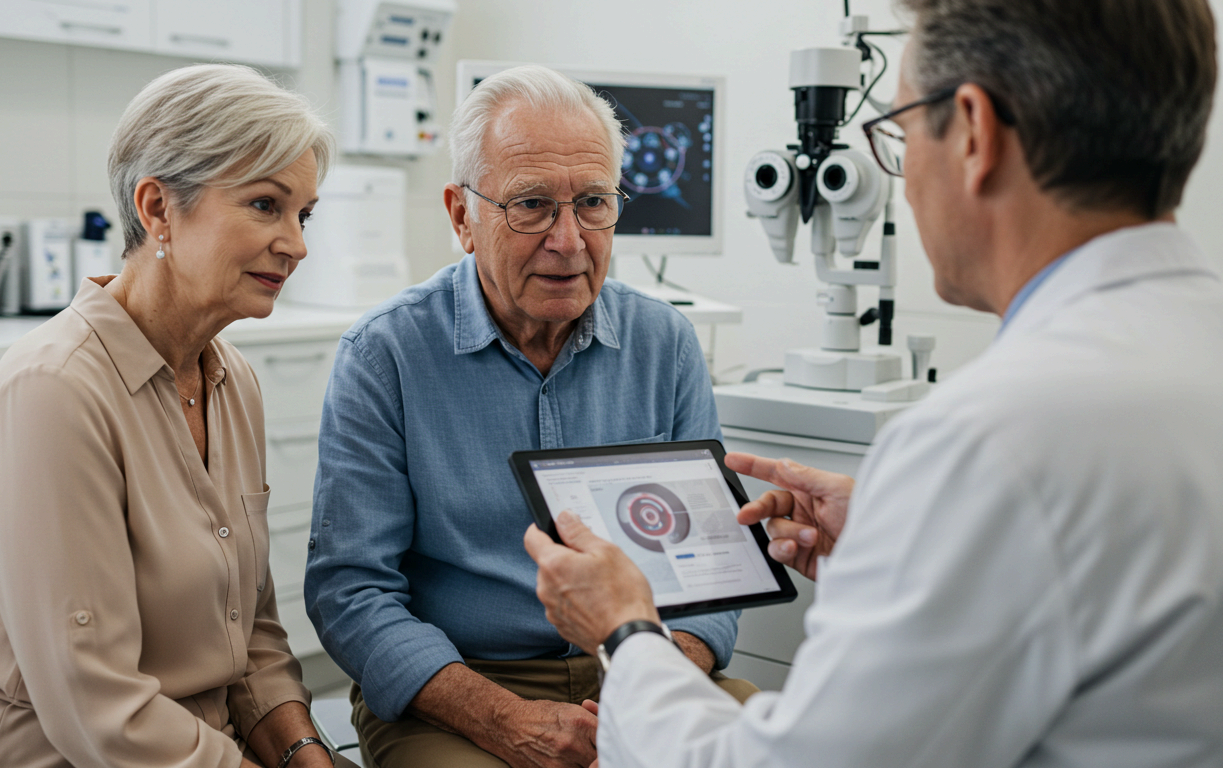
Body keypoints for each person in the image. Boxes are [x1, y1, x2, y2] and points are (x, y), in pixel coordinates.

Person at [524, 0, 1223, 766]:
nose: (907, 182)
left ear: (973, 132)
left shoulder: (989, 441)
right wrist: (908, 538)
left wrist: (626, 630)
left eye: (896, 132)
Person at [0, 64, 355, 768]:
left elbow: (252, 634)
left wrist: (302, 752)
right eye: (266, 205)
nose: (296, 242)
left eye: (304, 214)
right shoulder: (54, 391)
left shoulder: (234, 383)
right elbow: (97, 709)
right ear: (157, 208)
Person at [304, 65, 751, 768]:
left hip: (640, 661)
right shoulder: (386, 354)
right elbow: (351, 588)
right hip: (463, 685)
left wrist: (655, 682)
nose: (569, 240)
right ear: (462, 216)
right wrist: (504, 719)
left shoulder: (665, 344)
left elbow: (715, 571)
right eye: (533, 204)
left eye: (594, 202)